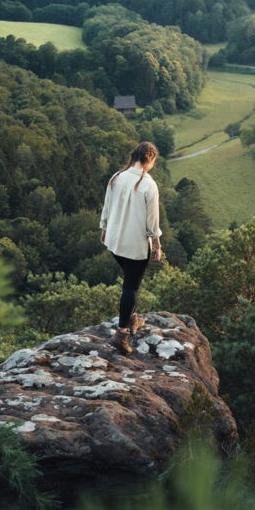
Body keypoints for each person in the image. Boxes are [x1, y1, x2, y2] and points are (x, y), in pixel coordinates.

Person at [100, 141, 162, 355]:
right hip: (135, 245)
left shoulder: (117, 177)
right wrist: (157, 245)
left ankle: (131, 318)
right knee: (131, 287)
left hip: (115, 242)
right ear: (150, 159)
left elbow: (107, 206)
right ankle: (121, 334)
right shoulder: (148, 185)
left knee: (129, 281)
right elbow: (152, 222)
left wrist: (104, 228)